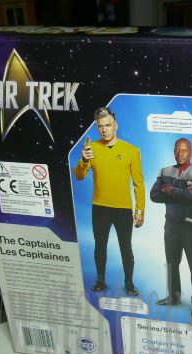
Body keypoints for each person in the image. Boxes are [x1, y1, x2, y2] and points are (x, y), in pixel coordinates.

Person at [74, 107, 145, 296]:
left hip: (123, 209)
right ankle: (100, 280)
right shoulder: (92, 148)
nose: (104, 130)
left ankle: (129, 283)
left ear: (116, 125)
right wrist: (84, 159)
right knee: (100, 247)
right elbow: (79, 176)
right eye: (100, 126)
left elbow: (139, 183)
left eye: (108, 125)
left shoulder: (132, 151)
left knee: (126, 248)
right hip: (100, 207)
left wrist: (140, 210)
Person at [150, 138, 192, 318]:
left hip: (191, 226)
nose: (180, 153)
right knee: (171, 263)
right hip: (171, 225)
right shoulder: (165, 171)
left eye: (184, 150)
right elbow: (154, 195)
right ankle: (173, 297)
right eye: (177, 150)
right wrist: (182, 192)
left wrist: (167, 189)